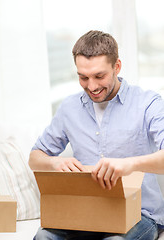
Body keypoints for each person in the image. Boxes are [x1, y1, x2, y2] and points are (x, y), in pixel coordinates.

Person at [29, 30, 164, 240]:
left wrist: (130, 164)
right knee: (43, 237)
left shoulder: (148, 103)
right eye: (83, 77)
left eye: (99, 76)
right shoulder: (69, 108)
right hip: (86, 213)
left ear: (117, 67)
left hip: (140, 215)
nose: (91, 86)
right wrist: (54, 163)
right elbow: (35, 157)